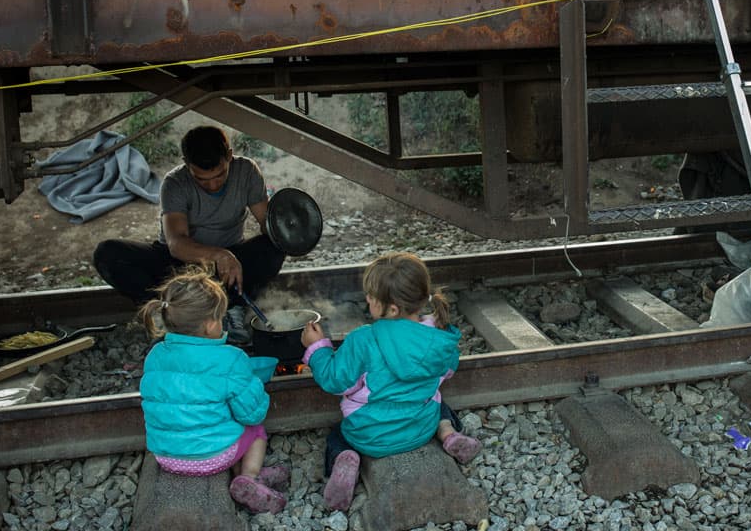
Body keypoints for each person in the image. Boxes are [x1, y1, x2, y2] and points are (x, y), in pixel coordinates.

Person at [300, 252, 482, 512]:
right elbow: (447, 373)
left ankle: (344, 458)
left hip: (367, 436)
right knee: (439, 403)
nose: (367, 300)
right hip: (420, 429)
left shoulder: (363, 339)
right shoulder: (437, 337)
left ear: (392, 308)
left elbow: (335, 381)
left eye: (372, 298)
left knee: (337, 435)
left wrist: (317, 348)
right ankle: (448, 434)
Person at [93, 125, 285, 343]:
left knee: (274, 246)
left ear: (229, 156)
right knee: (107, 253)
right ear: (187, 164)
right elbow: (176, 244)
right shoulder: (175, 183)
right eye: (202, 179)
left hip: (227, 268)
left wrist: (289, 232)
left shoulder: (247, 171)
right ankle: (167, 315)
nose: (212, 185)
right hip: (178, 266)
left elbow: (266, 224)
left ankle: (232, 309)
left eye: (220, 175)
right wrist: (219, 255)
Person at [138, 267, 288, 514]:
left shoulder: (154, 356)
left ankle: (246, 476)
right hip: (213, 457)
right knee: (254, 430)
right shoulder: (230, 358)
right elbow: (253, 414)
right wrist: (255, 386)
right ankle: (250, 477)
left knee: (219, 419)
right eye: (220, 318)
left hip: (165, 457)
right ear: (209, 325)